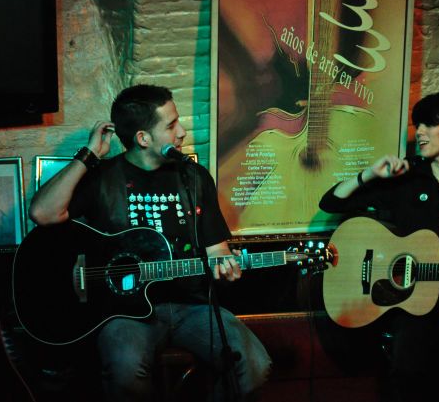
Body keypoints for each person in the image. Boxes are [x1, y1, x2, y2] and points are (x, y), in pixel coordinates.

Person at [29, 84, 271, 402]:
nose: (182, 132)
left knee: (255, 365)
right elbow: (42, 213)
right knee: (125, 369)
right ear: (143, 138)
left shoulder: (193, 177)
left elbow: (217, 251)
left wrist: (227, 267)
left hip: (192, 307)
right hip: (124, 314)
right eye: (171, 125)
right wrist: (89, 155)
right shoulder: (103, 178)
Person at [318, 92, 439, 402]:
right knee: (409, 372)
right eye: (417, 124)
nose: (419, 132)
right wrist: (370, 174)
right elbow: (331, 202)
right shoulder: (406, 180)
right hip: (414, 305)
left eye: (429, 124)